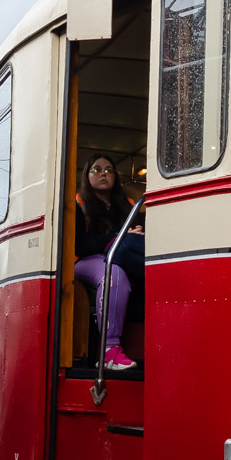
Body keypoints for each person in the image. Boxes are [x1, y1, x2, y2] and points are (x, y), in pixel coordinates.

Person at [74, 153, 144, 371]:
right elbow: (79, 244)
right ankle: (109, 351)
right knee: (114, 274)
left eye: (108, 170)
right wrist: (117, 238)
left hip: (122, 256)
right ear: (87, 175)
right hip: (86, 262)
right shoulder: (78, 202)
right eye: (96, 169)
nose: (103, 173)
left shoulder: (130, 204)